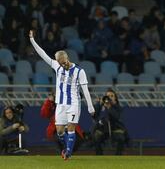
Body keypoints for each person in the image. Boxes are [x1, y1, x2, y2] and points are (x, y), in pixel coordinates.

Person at [29, 30, 95, 160]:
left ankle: (68, 153)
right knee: (59, 131)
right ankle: (67, 148)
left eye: (64, 62)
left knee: (71, 128)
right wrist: (32, 40)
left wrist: (90, 106)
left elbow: (85, 89)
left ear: (67, 58)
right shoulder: (57, 66)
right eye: (60, 63)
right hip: (61, 104)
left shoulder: (79, 71)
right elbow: (42, 54)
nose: (63, 65)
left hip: (74, 103)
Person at [92, 89, 129, 155]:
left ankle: (118, 155)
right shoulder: (101, 105)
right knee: (96, 136)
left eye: (112, 96)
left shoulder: (118, 107)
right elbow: (94, 116)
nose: (110, 97)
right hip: (103, 128)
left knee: (121, 138)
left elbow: (116, 117)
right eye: (108, 96)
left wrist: (109, 107)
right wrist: (99, 105)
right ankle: (99, 155)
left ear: (115, 98)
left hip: (115, 128)